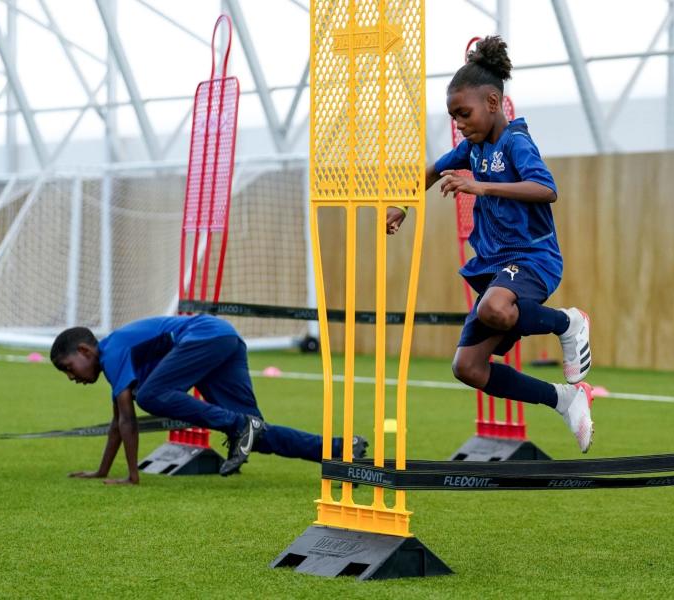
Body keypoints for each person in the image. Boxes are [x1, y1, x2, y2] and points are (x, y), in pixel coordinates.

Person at [386, 36, 594, 452]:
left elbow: (545, 189)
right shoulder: (473, 148)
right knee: (468, 368)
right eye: (453, 116)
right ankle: (563, 399)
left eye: (464, 113)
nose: (459, 123)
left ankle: (568, 322)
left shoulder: (515, 142)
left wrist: (479, 187)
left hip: (534, 258)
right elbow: (428, 172)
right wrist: (402, 207)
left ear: (494, 103)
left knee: (495, 308)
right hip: (498, 267)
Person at [50, 314, 366, 484]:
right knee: (259, 437)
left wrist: (132, 477)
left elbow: (127, 419)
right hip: (223, 338)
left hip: (204, 337)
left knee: (150, 395)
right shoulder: (116, 358)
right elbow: (118, 425)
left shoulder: (113, 350)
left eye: (68, 368)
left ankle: (240, 424)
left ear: (85, 351)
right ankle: (341, 450)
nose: (71, 376)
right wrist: (102, 471)